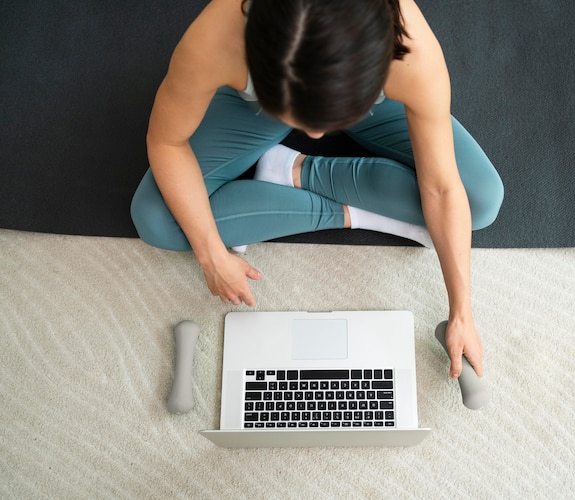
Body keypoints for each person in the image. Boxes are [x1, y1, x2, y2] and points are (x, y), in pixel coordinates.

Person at [130, 0, 504, 379]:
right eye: (303, 123)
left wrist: (461, 312)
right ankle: (351, 207)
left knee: (480, 201)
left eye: (326, 126)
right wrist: (212, 255)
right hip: (256, 108)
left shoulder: (411, 52)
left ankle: (298, 171)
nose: (316, 136)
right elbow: (166, 143)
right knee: (158, 220)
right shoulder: (217, 38)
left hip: (364, 96)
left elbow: (442, 188)